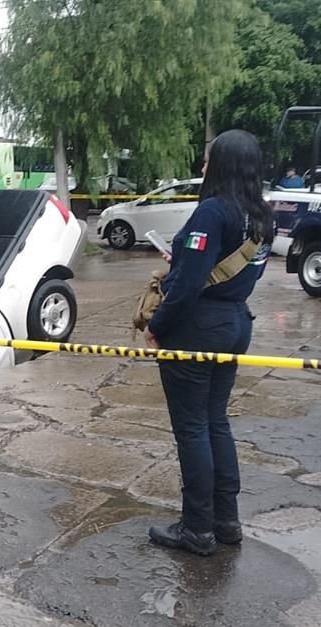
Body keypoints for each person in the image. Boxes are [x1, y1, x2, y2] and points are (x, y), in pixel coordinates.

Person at [145, 130, 275, 557]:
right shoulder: (261, 216)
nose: (202, 168)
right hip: (235, 323)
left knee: (193, 428)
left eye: (207, 160)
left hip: (198, 328)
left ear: (222, 165)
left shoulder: (213, 211)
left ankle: (197, 528)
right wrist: (183, 258)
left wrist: (157, 326)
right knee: (215, 421)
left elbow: (186, 288)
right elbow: (227, 269)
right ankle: (225, 520)